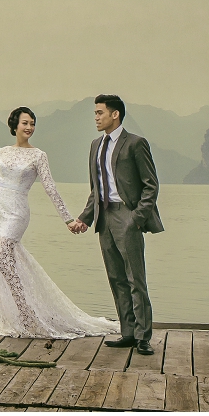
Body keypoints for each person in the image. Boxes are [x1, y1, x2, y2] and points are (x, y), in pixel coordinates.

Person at [0, 106, 119, 339]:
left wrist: (68, 219)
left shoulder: (38, 155)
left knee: (1, 257)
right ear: (15, 126)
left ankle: (27, 311)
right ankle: (20, 313)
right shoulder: (3, 151)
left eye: (32, 123)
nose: (29, 127)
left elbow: (51, 189)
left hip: (17, 213)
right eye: (25, 123)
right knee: (7, 260)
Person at [74, 94, 165, 357]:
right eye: (95, 113)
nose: (96, 117)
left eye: (100, 113)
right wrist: (85, 218)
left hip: (128, 216)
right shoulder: (95, 145)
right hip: (105, 217)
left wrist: (136, 218)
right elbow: (96, 190)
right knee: (116, 278)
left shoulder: (136, 143)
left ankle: (143, 337)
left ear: (115, 114)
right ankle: (127, 333)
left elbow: (151, 185)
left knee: (136, 279)